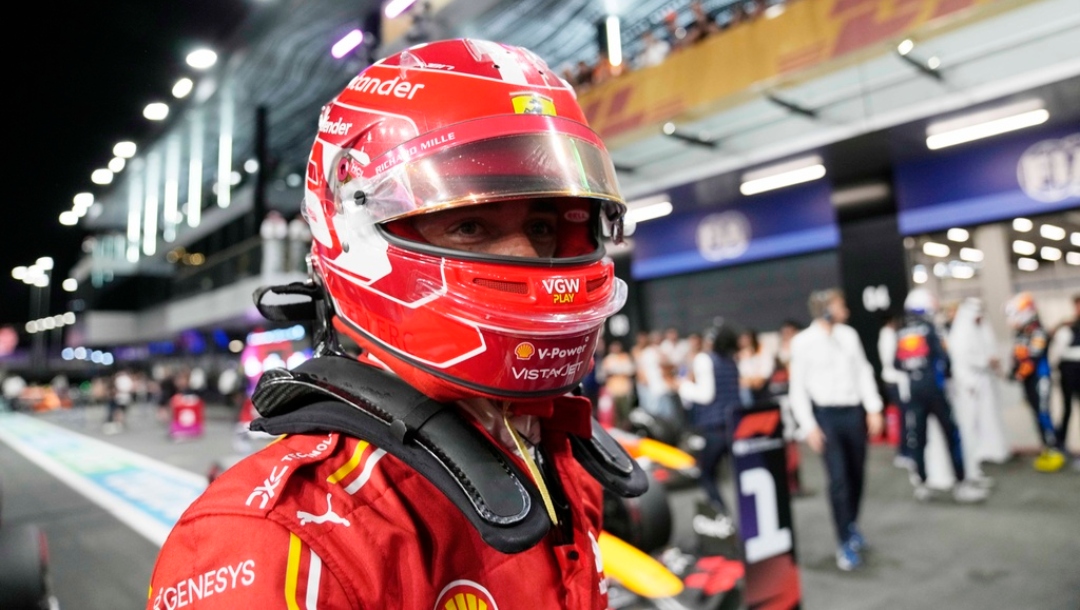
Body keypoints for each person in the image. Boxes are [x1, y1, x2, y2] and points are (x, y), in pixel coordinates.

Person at [145, 39, 646, 610]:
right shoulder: (276, 538)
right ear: (353, 232)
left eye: (541, 226)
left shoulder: (553, 447)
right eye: (471, 227)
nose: (531, 257)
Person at [788, 288, 883, 571]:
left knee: (856, 476)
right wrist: (809, 426)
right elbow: (797, 388)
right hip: (826, 416)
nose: (847, 310)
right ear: (826, 308)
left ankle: (851, 524)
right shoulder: (803, 342)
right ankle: (844, 540)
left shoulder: (848, 336)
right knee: (839, 480)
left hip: (853, 414)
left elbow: (863, 372)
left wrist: (874, 408)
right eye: (841, 305)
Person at [894, 288, 990, 502]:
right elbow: (944, 360)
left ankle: (922, 483)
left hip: (914, 392)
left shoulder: (902, 333)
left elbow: (897, 363)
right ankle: (961, 483)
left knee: (918, 439)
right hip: (935, 392)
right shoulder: (929, 330)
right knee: (952, 435)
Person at [677, 324, 742, 531]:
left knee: (706, 476)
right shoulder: (731, 361)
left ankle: (723, 517)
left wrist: (684, 386)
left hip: (714, 428)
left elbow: (706, 395)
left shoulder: (705, 359)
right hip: (734, 426)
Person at [947, 298, 1012, 475]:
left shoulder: (982, 329)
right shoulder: (959, 334)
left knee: (990, 416)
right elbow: (960, 360)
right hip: (969, 384)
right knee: (972, 421)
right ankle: (975, 453)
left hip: (986, 381)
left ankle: (993, 449)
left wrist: (994, 363)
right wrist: (983, 363)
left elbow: (990, 349)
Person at [1005, 292, 1067, 472]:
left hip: (1040, 379)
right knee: (1036, 414)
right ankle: (1047, 448)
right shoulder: (1021, 333)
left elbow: (1033, 358)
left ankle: (1055, 449)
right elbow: (1017, 356)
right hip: (1028, 382)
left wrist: (1018, 374)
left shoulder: (1038, 331)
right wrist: (1013, 370)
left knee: (1043, 413)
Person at [877, 311, 913, 470]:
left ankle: (905, 451)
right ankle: (903, 453)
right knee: (903, 418)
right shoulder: (888, 336)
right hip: (895, 382)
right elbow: (892, 360)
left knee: (905, 418)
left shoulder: (889, 335)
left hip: (895, 381)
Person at [1049, 293, 1079, 456]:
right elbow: (1057, 350)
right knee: (1067, 409)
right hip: (1069, 372)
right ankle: (1060, 443)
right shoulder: (1067, 326)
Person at [600, 339, 636, 430]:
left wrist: (617, 371)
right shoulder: (608, 359)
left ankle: (627, 429)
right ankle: (616, 429)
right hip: (613, 390)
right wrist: (619, 371)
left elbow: (630, 370)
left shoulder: (624, 357)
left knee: (626, 412)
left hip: (624, 390)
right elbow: (605, 373)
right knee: (614, 413)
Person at [736, 328, 774, 405]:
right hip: (746, 388)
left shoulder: (763, 351)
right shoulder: (737, 356)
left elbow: (765, 374)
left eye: (747, 338)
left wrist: (755, 380)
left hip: (762, 387)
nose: (744, 341)